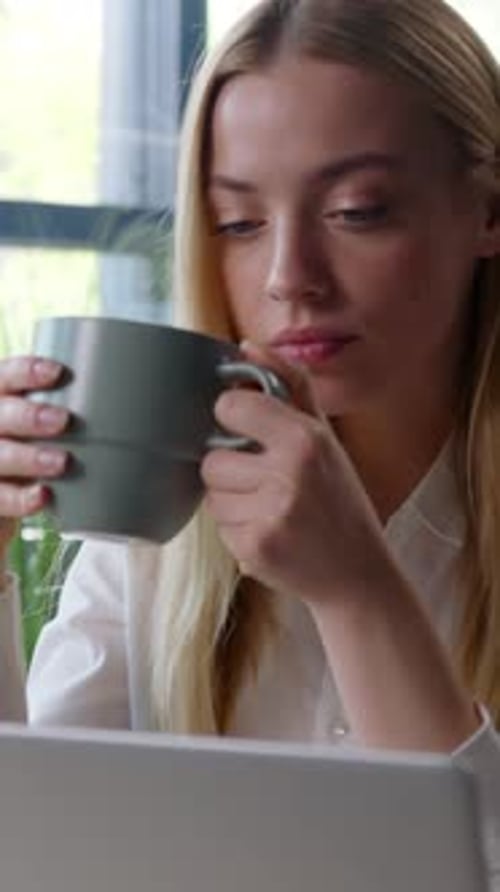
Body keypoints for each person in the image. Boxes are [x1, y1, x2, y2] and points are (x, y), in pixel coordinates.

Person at [1, 0, 500, 880]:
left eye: (357, 210)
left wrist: (359, 593)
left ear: (488, 211)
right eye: (238, 222)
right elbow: (34, 851)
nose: (287, 278)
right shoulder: (161, 516)